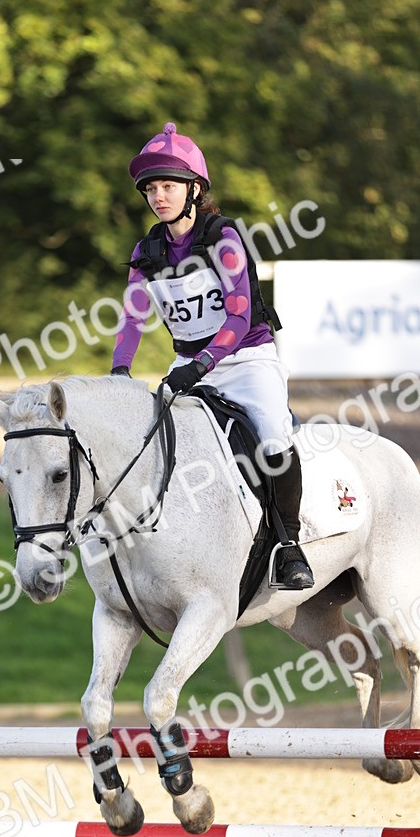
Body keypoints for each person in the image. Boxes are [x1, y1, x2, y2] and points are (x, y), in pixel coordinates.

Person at [110, 121, 314, 591]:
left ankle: (289, 545)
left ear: (194, 189)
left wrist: (200, 365)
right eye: (151, 189)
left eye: (168, 186)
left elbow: (239, 317)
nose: (158, 196)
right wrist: (120, 371)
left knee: (272, 434)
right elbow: (133, 319)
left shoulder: (223, 238)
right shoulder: (147, 250)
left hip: (246, 359)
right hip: (189, 366)